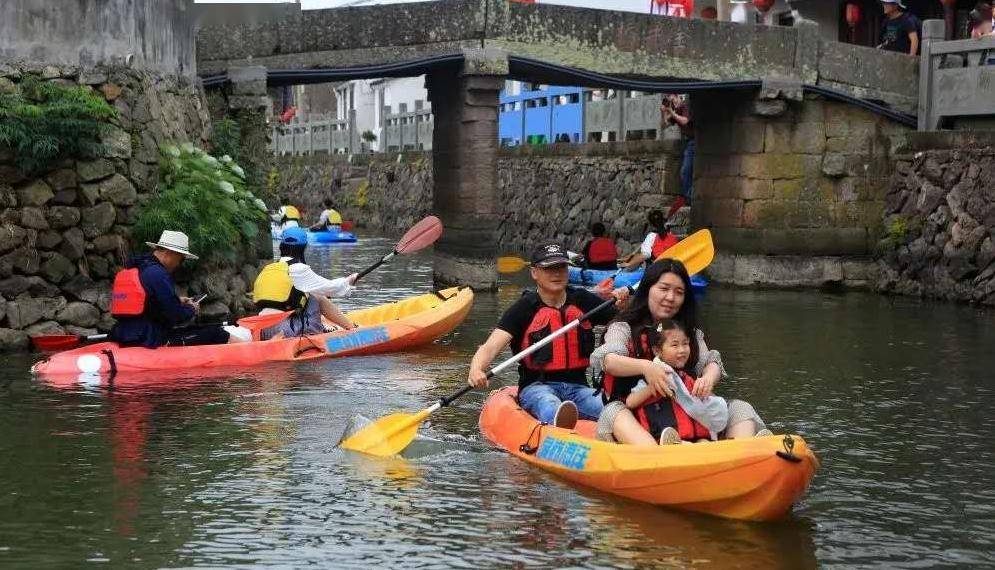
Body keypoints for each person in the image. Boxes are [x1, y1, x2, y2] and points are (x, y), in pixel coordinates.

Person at [592, 258, 770, 444]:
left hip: (684, 412)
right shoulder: (623, 328)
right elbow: (609, 361)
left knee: (740, 408)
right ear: (647, 290)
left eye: (679, 292)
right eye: (663, 289)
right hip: (635, 414)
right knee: (615, 412)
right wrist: (647, 367)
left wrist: (708, 378)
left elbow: (711, 363)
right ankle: (663, 453)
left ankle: (743, 454)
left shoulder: (690, 333)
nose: (670, 297)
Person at [467, 242, 629, 428]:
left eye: (561, 267)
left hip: (579, 388)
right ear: (534, 272)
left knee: (613, 409)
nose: (557, 273)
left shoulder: (583, 300)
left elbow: (626, 322)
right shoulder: (524, 308)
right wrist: (476, 369)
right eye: (549, 268)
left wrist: (622, 305)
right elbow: (490, 347)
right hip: (537, 388)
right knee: (549, 404)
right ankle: (560, 427)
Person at [109, 230, 250, 348]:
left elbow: (148, 303)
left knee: (200, 330)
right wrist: (192, 309)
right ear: (170, 253)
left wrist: (178, 301)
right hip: (149, 338)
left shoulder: (136, 268)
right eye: (181, 259)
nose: (179, 264)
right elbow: (175, 315)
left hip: (122, 334)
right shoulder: (158, 274)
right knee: (216, 333)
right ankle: (251, 351)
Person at [623, 319, 728, 445]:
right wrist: (651, 388)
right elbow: (630, 402)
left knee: (704, 442)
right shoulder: (653, 378)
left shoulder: (686, 378)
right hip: (663, 438)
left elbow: (701, 404)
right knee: (688, 444)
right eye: (675, 345)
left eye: (685, 343)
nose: (682, 350)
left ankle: (741, 447)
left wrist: (706, 392)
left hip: (693, 437)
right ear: (657, 351)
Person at [253, 227, 358, 340]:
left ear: (281, 246)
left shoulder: (268, 269)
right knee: (318, 297)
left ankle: (325, 325)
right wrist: (349, 280)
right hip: (285, 331)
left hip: (263, 331)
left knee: (307, 296)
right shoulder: (299, 268)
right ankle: (352, 328)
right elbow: (332, 289)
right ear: (303, 248)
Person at [661, 94, 694, 209]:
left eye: (674, 101)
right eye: (671, 102)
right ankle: (688, 198)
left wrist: (672, 112)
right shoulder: (677, 110)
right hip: (685, 143)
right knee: (686, 171)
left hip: (694, 141)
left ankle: (688, 199)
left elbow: (685, 121)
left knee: (685, 171)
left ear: (678, 97)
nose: (673, 104)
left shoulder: (685, 106)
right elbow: (665, 125)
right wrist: (664, 112)